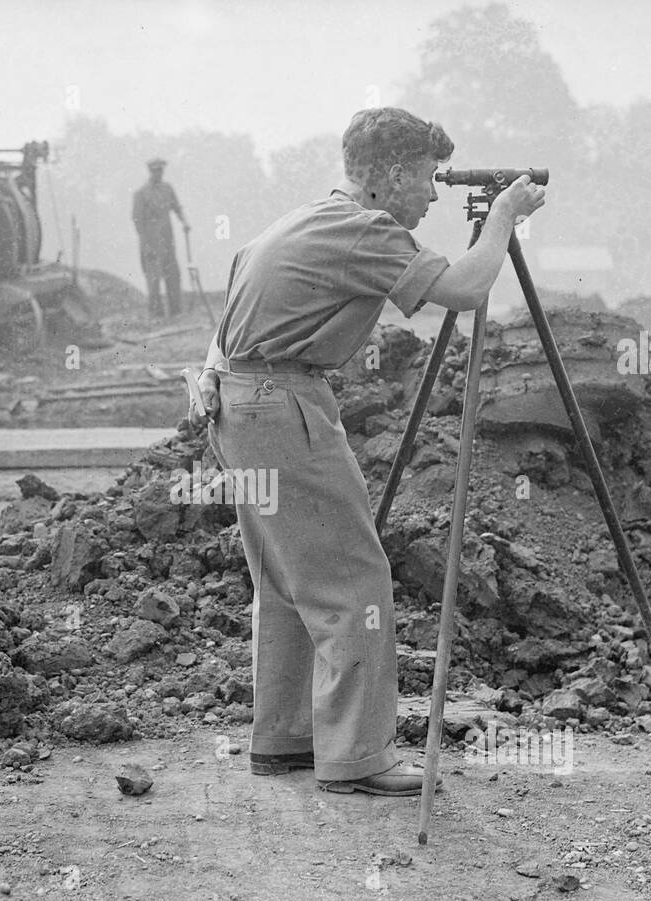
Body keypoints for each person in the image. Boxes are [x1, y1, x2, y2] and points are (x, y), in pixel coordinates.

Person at [189, 107, 545, 797]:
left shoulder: (308, 217)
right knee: (354, 578)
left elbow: (241, 281)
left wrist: (214, 366)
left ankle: (285, 736)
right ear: (385, 176)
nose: (433, 196)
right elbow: (466, 290)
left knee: (288, 582)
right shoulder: (365, 230)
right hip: (282, 406)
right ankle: (358, 757)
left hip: (241, 402)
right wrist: (503, 216)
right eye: (423, 178)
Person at [132, 157, 189, 319]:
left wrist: (185, 222)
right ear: (151, 172)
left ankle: (176, 311)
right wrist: (146, 245)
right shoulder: (141, 194)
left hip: (167, 242)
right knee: (154, 279)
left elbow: (177, 207)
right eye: (156, 171)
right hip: (150, 243)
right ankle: (156, 315)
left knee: (173, 276)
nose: (159, 174)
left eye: (161, 171)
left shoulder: (167, 189)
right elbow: (138, 222)